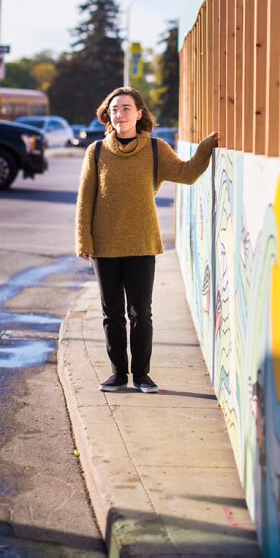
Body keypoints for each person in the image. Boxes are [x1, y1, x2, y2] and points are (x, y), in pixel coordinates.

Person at [76, 86, 218, 394]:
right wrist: (83, 240)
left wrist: (205, 148)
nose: (120, 114)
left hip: (141, 243)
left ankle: (141, 374)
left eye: (126, 108)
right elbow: (86, 199)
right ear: (107, 115)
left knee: (140, 311)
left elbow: (187, 173)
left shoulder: (155, 149)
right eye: (115, 109)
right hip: (105, 245)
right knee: (111, 313)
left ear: (140, 113)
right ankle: (118, 374)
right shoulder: (97, 152)